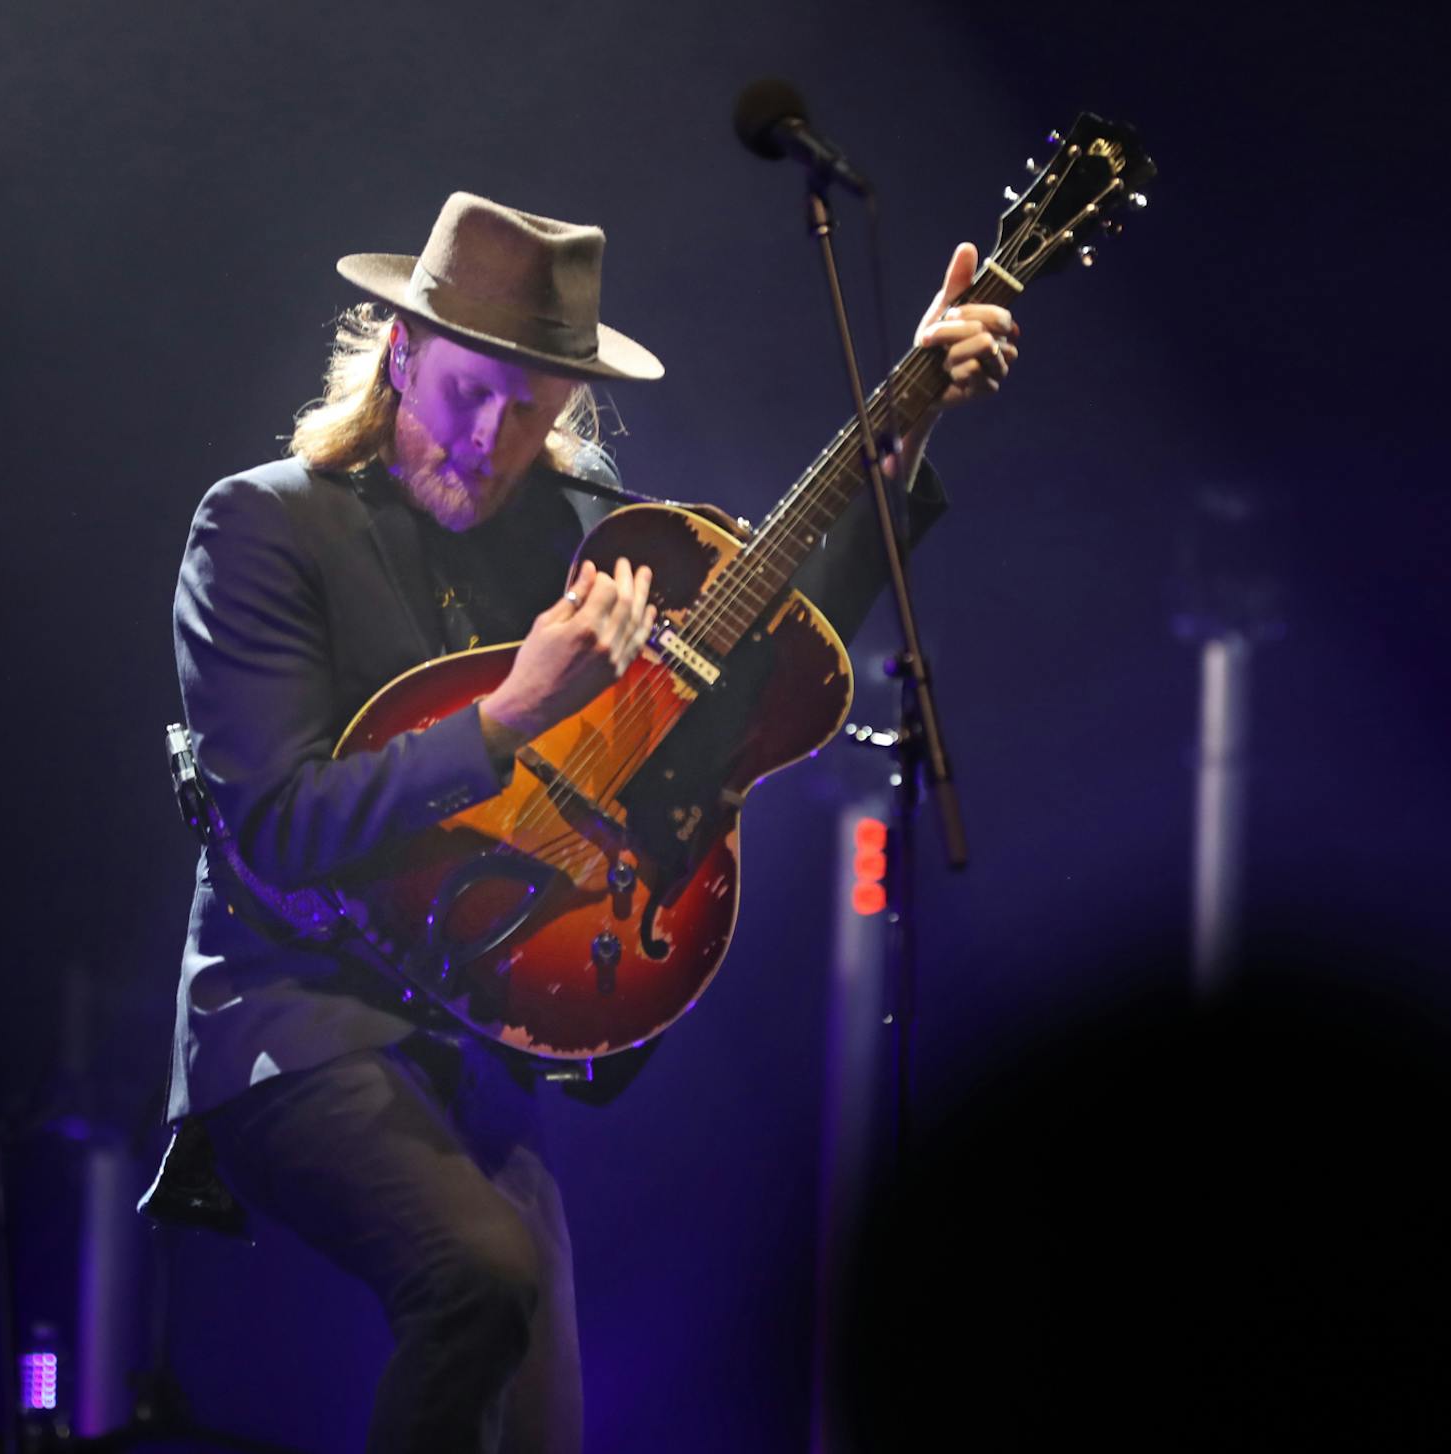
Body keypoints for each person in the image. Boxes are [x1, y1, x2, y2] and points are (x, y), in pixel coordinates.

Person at [152, 192, 1018, 1452]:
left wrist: (899, 450)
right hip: (298, 1015)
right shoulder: (265, 527)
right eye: (471, 392)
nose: (496, 438)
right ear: (401, 351)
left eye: (534, 407)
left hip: (486, 1030)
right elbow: (274, 826)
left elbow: (748, 654)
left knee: (547, 1419)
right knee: (485, 1275)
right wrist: (510, 713)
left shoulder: (575, 529)